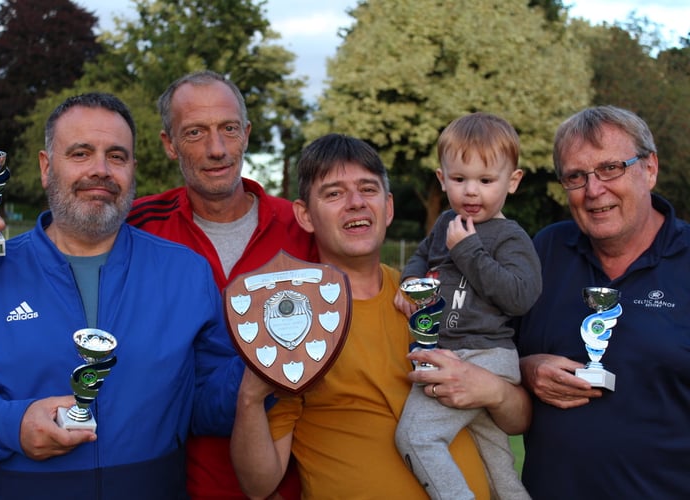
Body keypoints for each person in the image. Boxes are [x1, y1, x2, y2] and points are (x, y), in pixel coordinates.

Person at [0, 70, 312, 499]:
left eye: (116, 156)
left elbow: (203, 398)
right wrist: (10, 426)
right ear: (47, 167)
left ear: (133, 169)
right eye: (81, 153)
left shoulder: (186, 271)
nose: (100, 171)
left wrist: (267, 362)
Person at [230, 133, 532, 499]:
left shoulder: (434, 293)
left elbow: (517, 420)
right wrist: (248, 398)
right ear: (305, 216)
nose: (356, 203)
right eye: (334, 193)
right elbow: (258, 485)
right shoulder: (295, 320)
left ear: (388, 207)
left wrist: (493, 390)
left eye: (367, 189)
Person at [516, 105, 690, 499]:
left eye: (611, 168)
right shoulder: (544, 251)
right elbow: (491, 352)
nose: (594, 190)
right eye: (576, 176)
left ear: (650, 168)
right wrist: (526, 368)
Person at [392, 112, 540, 499]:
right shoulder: (444, 224)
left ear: (513, 181)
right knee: (497, 462)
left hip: (486, 354)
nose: (471, 192)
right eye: (459, 179)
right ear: (442, 179)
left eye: (486, 181)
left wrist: (469, 252)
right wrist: (410, 281)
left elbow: (521, 297)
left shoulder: (511, 237)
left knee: (415, 436)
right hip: (450, 350)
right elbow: (421, 258)